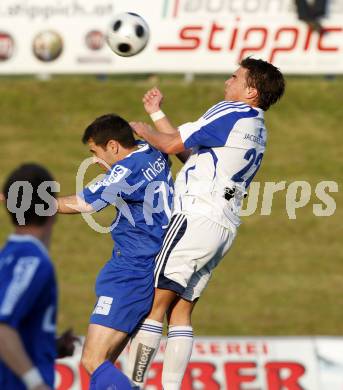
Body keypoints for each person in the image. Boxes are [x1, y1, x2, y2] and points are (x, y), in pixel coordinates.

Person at [126, 57, 286, 389]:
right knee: (181, 311)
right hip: (223, 227)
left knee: (152, 304)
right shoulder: (257, 128)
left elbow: (170, 145)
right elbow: (190, 154)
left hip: (194, 217)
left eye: (235, 77)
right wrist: (157, 114)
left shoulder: (229, 111)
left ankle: (132, 384)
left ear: (251, 90)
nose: (228, 81)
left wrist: (142, 131)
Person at [55, 114, 173, 389]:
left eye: (95, 152)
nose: (95, 159)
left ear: (113, 145)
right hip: (150, 263)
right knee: (104, 365)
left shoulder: (125, 170)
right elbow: (171, 145)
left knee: (93, 360)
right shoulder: (151, 149)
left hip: (130, 270)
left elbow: (82, 204)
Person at [0, 163, 76, 390]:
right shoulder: (33, 262)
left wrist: (49, 346)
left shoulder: (7, 257)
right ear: (50, 209)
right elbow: (2, 327)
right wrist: (36, 384)